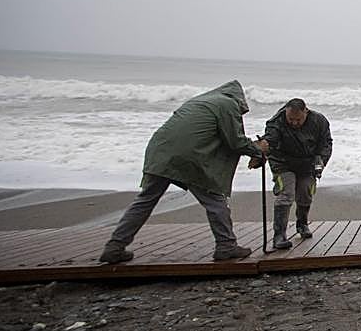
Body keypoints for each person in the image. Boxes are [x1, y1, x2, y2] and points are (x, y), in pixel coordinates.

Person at [98, 80, 269, 264]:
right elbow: (234, 141)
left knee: (145, 200)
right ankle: (226, 245)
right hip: (189, 157)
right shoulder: (228, 104)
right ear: (239, 100)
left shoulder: (200, 101)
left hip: (159, 151)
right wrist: (258, 150)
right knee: (214, 200)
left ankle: (115, 246)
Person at [259, 98, 333, 249]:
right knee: (286, 195)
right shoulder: (276, 122)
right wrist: (262, 150)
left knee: (305, 193)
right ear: (285, 112)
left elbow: (325, 143)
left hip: (308, 163)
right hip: (282, 163)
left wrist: (321, 161)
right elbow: (270, 141)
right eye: (290, 119)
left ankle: (302, 224)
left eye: (297, 120)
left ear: (306, 111)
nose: (294, 123)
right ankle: (279, 236)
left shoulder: (319, 121)